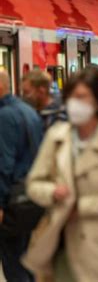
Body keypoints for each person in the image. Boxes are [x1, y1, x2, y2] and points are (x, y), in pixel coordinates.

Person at [22, 67, 98, 281]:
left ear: (97, 101)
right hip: (63, 247)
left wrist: (80, 207)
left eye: (81, 97)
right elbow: (34, 183)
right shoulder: (56, 137)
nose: (74, 103)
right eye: (70, 97)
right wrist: (51, 192)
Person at [0, 71, 42, 282]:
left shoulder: (5, 116)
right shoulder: (28, 111)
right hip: (32, 198)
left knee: (14, 264)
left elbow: (4, 165)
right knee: (28, 262)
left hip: (14, 202)